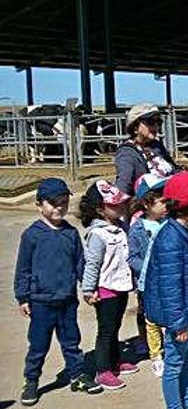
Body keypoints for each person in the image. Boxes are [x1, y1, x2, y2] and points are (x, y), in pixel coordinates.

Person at [15, 178, 102, 406]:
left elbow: (80, 264)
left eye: (63, 202)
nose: (59, 208)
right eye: (53, 203)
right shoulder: (32, 235)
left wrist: (88, 287)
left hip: (67, 300)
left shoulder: (71, 234)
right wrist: (23, 297)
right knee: (38, 345)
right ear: (39, 205)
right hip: (41, 301)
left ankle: (77, 375)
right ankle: (31, 381)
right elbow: (23, 268)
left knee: (71, 341)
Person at [143, 171, 188, 409]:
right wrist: (179, 323)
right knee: (174, 365)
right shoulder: (170, 238)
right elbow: (170, 286)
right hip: (180, 317)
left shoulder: (184, 231)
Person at [80, 180, 138, 391]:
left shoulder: (120, 227)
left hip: (121, 286)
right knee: (106, 330)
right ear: (99, 209)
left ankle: (116, 362)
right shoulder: (98, 234)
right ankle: (103, 370)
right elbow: (92, 264)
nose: (120, 207)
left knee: (115, 327)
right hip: (105, 289)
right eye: (113, 205)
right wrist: (88, 290)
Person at [127, 174, 169, 378]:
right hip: (149, 284)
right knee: (151, 321)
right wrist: (149, 268)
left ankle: (170, 350)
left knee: (169, 318)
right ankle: (156, 356)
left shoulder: (169, 224)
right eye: (161, 201)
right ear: (146, 203)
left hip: (169, 281)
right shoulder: (137, 229)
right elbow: (132, 258)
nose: (165, 204)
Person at [115, 104, 176, 196]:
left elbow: (174, 169)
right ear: (135, 127)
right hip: (151, 203)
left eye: (159, 122)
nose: (156, 126)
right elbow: (123, 186)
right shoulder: (127, 154)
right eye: (150, 122)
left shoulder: (157, 146)